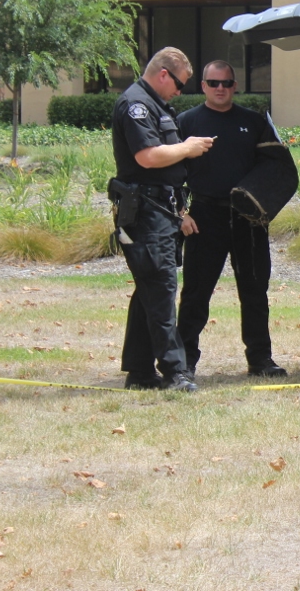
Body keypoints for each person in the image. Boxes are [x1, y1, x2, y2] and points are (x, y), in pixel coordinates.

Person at [111, 47, 214, 392]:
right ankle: (175, 372)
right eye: (181, 85)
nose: (181, 92)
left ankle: (140, 372)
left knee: (149, 291)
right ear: (163, 74)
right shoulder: (137, 105)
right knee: (161, 290)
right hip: (145, 214)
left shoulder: (156, 104)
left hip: (161, 212)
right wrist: (187, 147)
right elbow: (148, 156)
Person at [176, 60, 288, 378]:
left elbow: (276, 169)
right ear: (203, 86)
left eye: (226, 83)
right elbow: (170, 173)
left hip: (248, 218)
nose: (220, 88)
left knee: (254, 290)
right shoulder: (187, 122)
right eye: (214, 83)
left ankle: (260, 360)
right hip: (204, 216)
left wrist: (262, 208)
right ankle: (184, 361)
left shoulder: (253, 122)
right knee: (196, 292)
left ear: (235, 86)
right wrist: (180, 214)